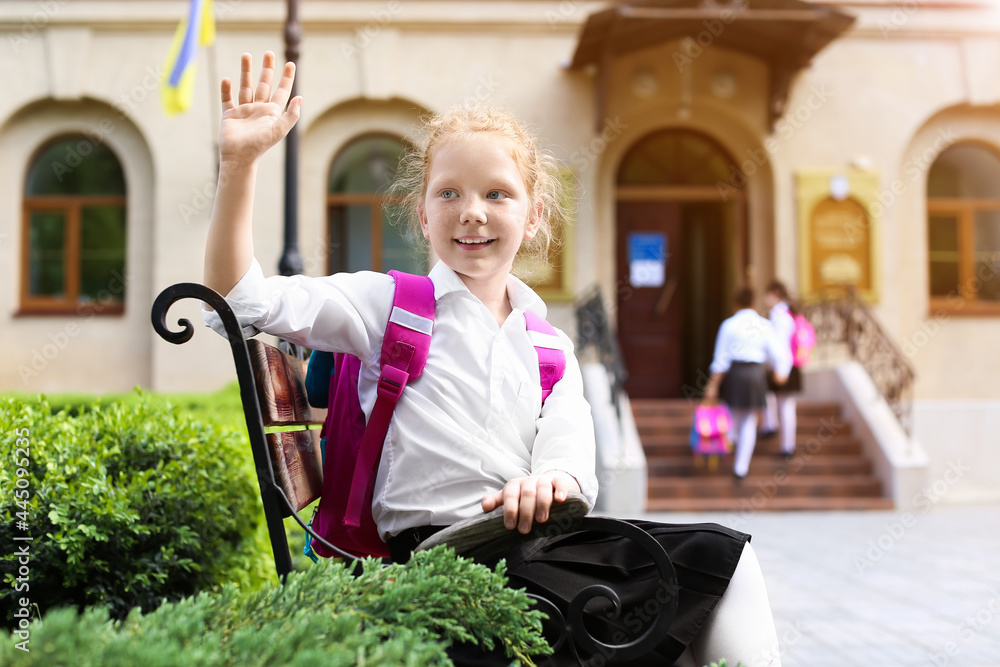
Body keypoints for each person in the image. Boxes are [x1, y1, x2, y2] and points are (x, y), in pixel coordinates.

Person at [202, 52, 782, 666]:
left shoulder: (549, 348)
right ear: (422, 215)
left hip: (529, 557)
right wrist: (239, 165)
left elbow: (569, 459)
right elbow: (241, 300)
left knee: (720, 566)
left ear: (533, 219)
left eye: (496, 194)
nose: (472, 210)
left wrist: (552, 482)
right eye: (449, 192)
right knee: (691, 586)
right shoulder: (385, 305)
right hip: (433, 569)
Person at [703, 288, 791, 481]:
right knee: (749, 421)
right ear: (753, 303)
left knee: (733, 416)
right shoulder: (764, 325)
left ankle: (733, 445)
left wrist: (713, 385)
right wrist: (781, 372)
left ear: (736, 304)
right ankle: (741, 467)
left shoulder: (729, 325)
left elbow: (721, 359)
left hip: (736, 373)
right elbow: (779, 353)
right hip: (755, 374)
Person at [760, 280, 801, 458]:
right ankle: (781, 438)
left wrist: (781, 370)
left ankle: (786, 446)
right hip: (788, 365)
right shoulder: (786, 313)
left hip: (783, 366)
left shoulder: (779, 315)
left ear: (774, 294)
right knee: (784, 404)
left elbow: (780, 345)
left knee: (785, 406)